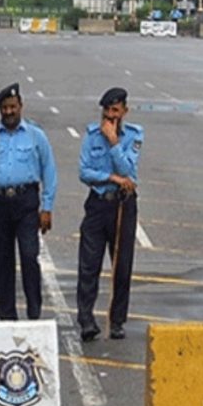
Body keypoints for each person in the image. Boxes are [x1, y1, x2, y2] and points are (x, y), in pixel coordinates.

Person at [0, 83, 57, 320]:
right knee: (2, 261)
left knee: (29, 256)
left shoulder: (35, 135)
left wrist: (46, 208)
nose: (8, 112)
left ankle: (34, 310)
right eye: (4, 108)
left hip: (26, 202)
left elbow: (49, 171)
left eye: (12, 107)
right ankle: (7, 315)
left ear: (21, 106)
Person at [76, 87, 143, 341]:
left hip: (123, 205)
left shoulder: (134, 135)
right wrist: (111, 177)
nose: (110, 116)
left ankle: (116, 321)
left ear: (125, 111)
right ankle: (86, 319)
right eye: (107, 111)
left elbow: (129, 169)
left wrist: (114, 141)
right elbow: (85, 171)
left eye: (116, 110)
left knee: (121, 265)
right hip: (98, 203)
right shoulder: (92, 135)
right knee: (89, 263)